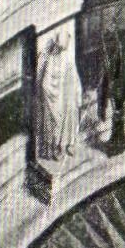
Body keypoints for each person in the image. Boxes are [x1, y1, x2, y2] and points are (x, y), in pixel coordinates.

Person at [37, 28, 83, 159]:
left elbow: (74, 77)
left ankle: (67, 145)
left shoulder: (67, 57)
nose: (63, 49)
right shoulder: (50, 58)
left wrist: (77, 92)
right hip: (52, 99)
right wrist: (52, 94)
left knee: (69, 117)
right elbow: (45, 82)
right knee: (53, 124)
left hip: (66, 96)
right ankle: (52, 149)